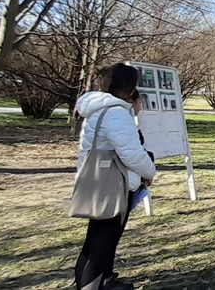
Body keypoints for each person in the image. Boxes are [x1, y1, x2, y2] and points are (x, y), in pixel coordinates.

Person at [74, 63, 157, 290]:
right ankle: (92, 285)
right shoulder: (117, 114)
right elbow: (132, 154)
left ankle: (97, 281)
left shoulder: (99, 109)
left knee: (95, 240)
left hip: (97, 182)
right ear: (129, 88)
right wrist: (150, 172)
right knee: (102, 243)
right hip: (112, 186)